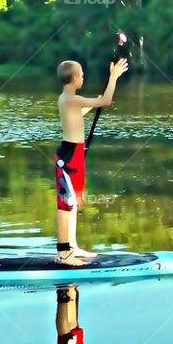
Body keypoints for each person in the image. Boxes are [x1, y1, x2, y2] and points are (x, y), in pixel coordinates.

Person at [53, 56, 128, 265]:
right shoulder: (71, 99)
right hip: (68, 156)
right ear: (76, 78)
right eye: (82, 76)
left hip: (75, 154)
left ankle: (72, 246)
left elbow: (78, 112)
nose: (83, 78)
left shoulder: (68, 99)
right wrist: (113, 77)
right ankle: (62, 253)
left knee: (74, 201)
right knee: (65, 204)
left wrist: (90, 106)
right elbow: (106, 101)